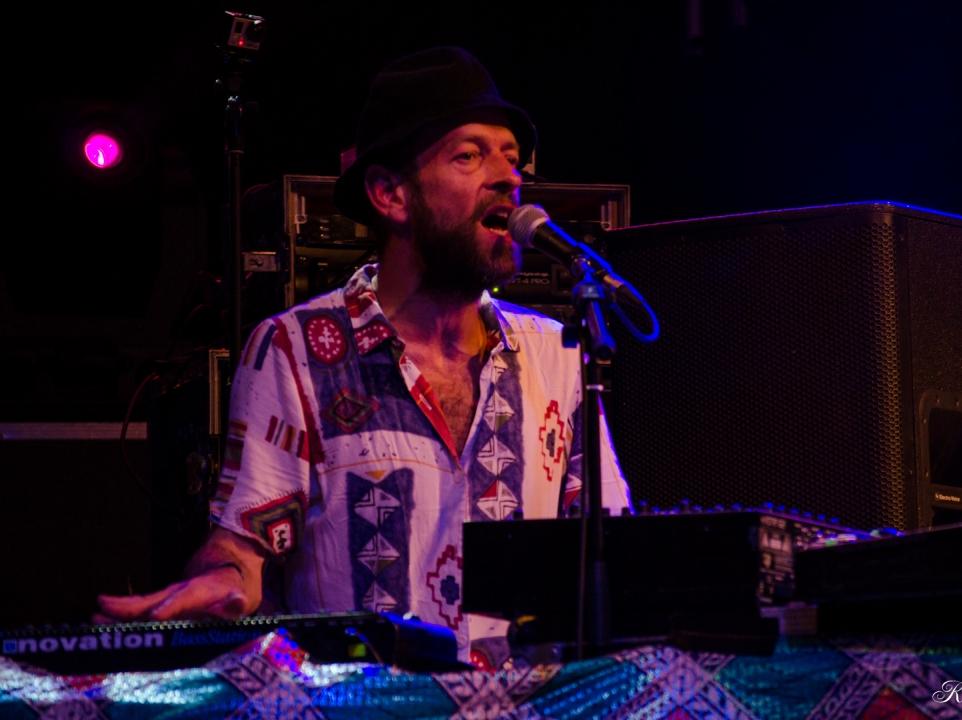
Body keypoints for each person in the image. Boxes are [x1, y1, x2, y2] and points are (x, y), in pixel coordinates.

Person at [98, 47, 631, 658]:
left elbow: (611, 548)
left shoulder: (557, 354)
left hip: (525, 701)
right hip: (369, 701)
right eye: (469, 155)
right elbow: (242, 546)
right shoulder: (296, 351)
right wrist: (223, 579)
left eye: (512, 158)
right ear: (389, 194)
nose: (508, 176)